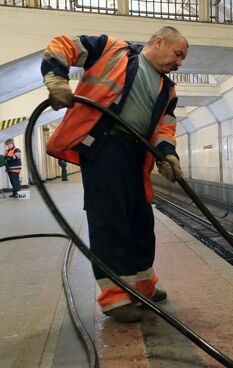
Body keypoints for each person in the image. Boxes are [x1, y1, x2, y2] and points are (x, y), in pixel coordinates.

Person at [41, 26, 188, 323]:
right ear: (158, 42)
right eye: (177, 54)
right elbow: (63, 44)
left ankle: (143, 284)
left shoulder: (168, 89)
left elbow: (165, 126)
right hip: (105, 146)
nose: (179, 62)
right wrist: (56, 78)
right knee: (110, 216)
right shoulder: (112, 49)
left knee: (140, 219)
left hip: (137, 155)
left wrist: (167, 154)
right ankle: (115, 296)